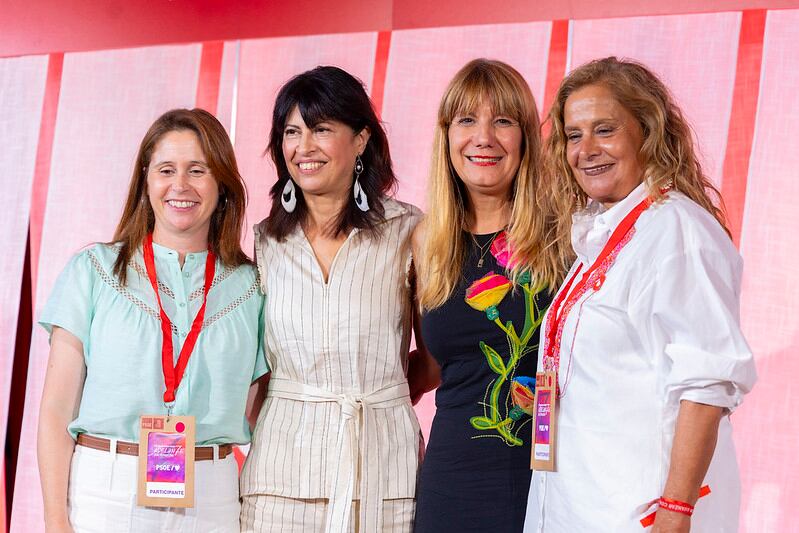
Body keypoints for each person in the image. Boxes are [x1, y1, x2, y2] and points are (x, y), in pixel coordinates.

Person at [522, 57, 757, 532]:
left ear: (647, 132)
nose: (586, 150)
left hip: (639, 513)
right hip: (579, 505)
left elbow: (706, 384)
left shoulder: (676, 230)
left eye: (605, 130)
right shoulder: (604, 233)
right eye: (573, 135)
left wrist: (676, 511)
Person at [37, 108, 267, 532]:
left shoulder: (253, 287)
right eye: (166, 170)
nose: (180, 185)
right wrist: (55, 519)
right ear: (146, 179)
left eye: (197, 170)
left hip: (213, 498)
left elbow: (261, 412)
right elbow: (56, 409)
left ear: (222, 183)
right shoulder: (93, 271)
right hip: (104, 495)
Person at [239, 66, 424, 533]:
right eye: (291, 132)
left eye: (320, 129)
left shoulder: (408, 230)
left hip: (384, 473)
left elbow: (436, 357)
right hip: (279, 480)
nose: (304, 147)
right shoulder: (264, 241)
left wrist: (381, 393)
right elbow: (257, 366)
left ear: (361, 139)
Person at [411, 59, 567, 532]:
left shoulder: (564, 235)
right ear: (447, 136)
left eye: (502, 120)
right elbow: (434, 365)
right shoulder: (426, 240)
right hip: (449, 481)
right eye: (466, 120)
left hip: (544, 479)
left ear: (525, 137)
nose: (484, 137)